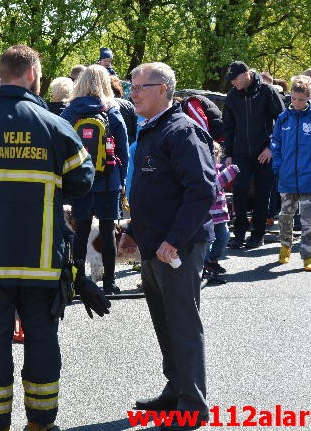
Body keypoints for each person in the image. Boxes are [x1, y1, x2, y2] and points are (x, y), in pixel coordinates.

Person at [0, 44, 101, 431]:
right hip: (41, 256)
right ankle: (42, 420)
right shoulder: (54, 124)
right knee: (43, 336)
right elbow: (82, 181)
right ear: (31, 73)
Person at [120, 62, 215, 431]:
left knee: (183, 325)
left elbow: (202, 191)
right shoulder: (152, 129)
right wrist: (133, 227)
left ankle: (193, 407)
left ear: (163, 89)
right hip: (154, 245)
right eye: (132, 87)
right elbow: (158, 191)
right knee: (165, 324)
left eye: (141, 86)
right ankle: (176, 392)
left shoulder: (183, 131)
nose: (133, 93)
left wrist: (173, 240)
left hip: (177, 248)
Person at [60, 65, 128, 294]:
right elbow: (123, 149)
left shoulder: (70, 112)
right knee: (108, 231)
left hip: (80, 181)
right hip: (108, 179)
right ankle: (109, 283)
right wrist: (123, 179)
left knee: (81, 231)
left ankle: (78, 283)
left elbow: (61, 145)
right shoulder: (111, 109)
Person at [272, 76, 311, 271]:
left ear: (308, 98)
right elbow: (276, 144)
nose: (296, 103)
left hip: (309, 178)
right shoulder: (283, 118)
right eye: (293, 99)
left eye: (300, 99)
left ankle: (308, 256)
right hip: (287, 177)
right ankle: (285, 247)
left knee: (308, 220)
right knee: (285, 217)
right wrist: (279, 166)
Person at [222, 61, 284, 249]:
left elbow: (281, 121)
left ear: (247, 74)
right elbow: (229, 127)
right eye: (231, 80)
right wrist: (228, 153)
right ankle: (239, 233)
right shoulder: (232, 96)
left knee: (263, 193)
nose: (233, 82)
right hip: (241, 152)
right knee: (239, 189)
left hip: (264, 152)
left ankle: (258, 234)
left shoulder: (267, 91)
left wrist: (272, 147)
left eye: (235, 78)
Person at [204, 142, 239, 278]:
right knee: (207, 241)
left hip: (220, 214)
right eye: (210, 154)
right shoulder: (204, 170)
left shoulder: (219, 169)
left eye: (216, 154)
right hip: (207, 216)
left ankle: (212, 260)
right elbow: (213, 188)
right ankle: (204, 263)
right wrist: (228, 174)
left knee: (224, 236)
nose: (213, 157)